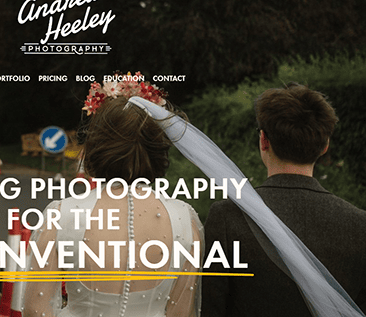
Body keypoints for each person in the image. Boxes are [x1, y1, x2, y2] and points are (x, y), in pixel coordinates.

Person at [22, 74, 204, 317]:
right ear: (157, 148)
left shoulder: (61, 216)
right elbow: (181, 313)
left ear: (96, 147)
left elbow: (35, 310)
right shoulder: (185, 221)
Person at [201, 83, 366, 316]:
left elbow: (209, 308)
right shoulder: (360, 225)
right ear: (325, 146)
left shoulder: (227, 217)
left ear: (264, 141)